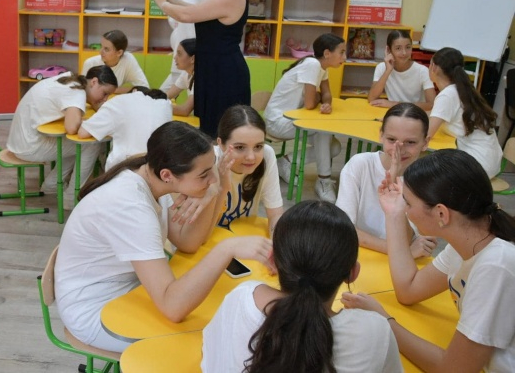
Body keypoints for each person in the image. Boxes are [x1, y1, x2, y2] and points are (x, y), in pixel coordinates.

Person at [54, 122, 272, 352]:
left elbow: (188, 242)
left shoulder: (153, 178)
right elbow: (172, 307)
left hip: (128, 288)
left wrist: (216, 189)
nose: (212, 178)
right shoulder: (131, 207)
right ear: (167, 175)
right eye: (204, 175)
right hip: (95, 312)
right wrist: (227, 248)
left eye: (212, 169)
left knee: (216, 313)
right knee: (214, 339)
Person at [342, 149, 515, 373]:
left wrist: (385, 321)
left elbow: (452, 370)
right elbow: (409, 289)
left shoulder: (496, 265)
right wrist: (394, 214)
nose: (406, 210)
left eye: (408, 204)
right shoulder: (470, 241)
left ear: (441, 214)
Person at [202, 200, 403, 373]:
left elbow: (210, 358)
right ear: (352, 273)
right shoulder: (375, 332)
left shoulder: (243, 299)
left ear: (272, 261)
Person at [150, 0, 263, 137]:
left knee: (220, 131)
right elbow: (199, 11)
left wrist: (161, 2)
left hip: (224, 73)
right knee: (211, 129)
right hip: (214, 68)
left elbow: (187, 15)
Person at [337, 103, 437, 257]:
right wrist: (403, 251)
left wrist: (397, 197)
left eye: (410, 142)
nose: (399, 149)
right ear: (381, 135)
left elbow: (410, 240)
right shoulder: (360, 165)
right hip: (357, 255)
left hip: (399, 262)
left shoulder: (428, 181)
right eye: (391, 139)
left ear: (425, 142)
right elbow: (343, 229)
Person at [6, 66, 117, 193]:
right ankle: (72, 195)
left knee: (75, 144)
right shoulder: (76, 93)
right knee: (91, 145)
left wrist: (91, 108)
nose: (105, 99)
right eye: (105, 93)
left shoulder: (71, 81)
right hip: (28, 146)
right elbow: (71, 128)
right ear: (94, 82)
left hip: (21, 140)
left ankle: (52, 185)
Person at [264, 33, 346, 202]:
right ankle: (323, 181)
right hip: (277, 121)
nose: (344, 57)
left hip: (295, 119)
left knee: (335, 147)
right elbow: (310, 104)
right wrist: (318, 98)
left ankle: (286, 162)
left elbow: (327, 94)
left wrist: (326, 103)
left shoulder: (321, 68)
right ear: (327, 53)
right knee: (322, 131)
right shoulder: (312, 65)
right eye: (342, 52)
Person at [428, 47, 502, 178]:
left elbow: (427, 135)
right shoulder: (463, 90)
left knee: (425, 167)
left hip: (477, 165)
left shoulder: (447, 95)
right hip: (491, 162)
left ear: (434, 67)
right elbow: (438, 115)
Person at [215, 104, 284, 235]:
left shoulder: (267, 155)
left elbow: (275, 214)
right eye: (240, 147)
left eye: (258, 146)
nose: (251, 157)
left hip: (243, 235)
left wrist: (277, 241)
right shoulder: (209, 162)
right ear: (220, 144)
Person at [77, 86, 172, 171]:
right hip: (159, 168)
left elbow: (83, 133)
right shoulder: (166, 104)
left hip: (126, 168)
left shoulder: (121, 101)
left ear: (134, 91)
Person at [158, 0, 216, 93]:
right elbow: (175, 24)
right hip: (179, 60)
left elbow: (196, 12)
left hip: (198, 64)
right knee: (161, 96)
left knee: (194, 100)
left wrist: (167, 0)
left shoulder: (213, 1)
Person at [368, 30, 435, 110]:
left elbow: (431, 104)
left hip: (415, 113)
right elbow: (372, 98)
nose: (404, 53)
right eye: (398, 48)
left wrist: (394, 104)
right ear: (389, 50)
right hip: (395, 113)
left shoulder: (422, 71)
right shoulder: (381, 67)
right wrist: (388, 71)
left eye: (408, 47)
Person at [81, 30, 149, 94]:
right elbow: (82, 91)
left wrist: (112, 90)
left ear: (119, 53)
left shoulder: (128, 60)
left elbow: (144, 88)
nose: (100, 52)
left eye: (106, 49)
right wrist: (131, 89)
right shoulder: (90, 63)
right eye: (101, 46)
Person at [166, 38, 196, 116]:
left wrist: (157, 106)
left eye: (179, 54)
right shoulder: (186, 73)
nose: (175, 57)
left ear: (193, 59)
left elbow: (184, 110)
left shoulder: (201, 78)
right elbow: (167, 95)